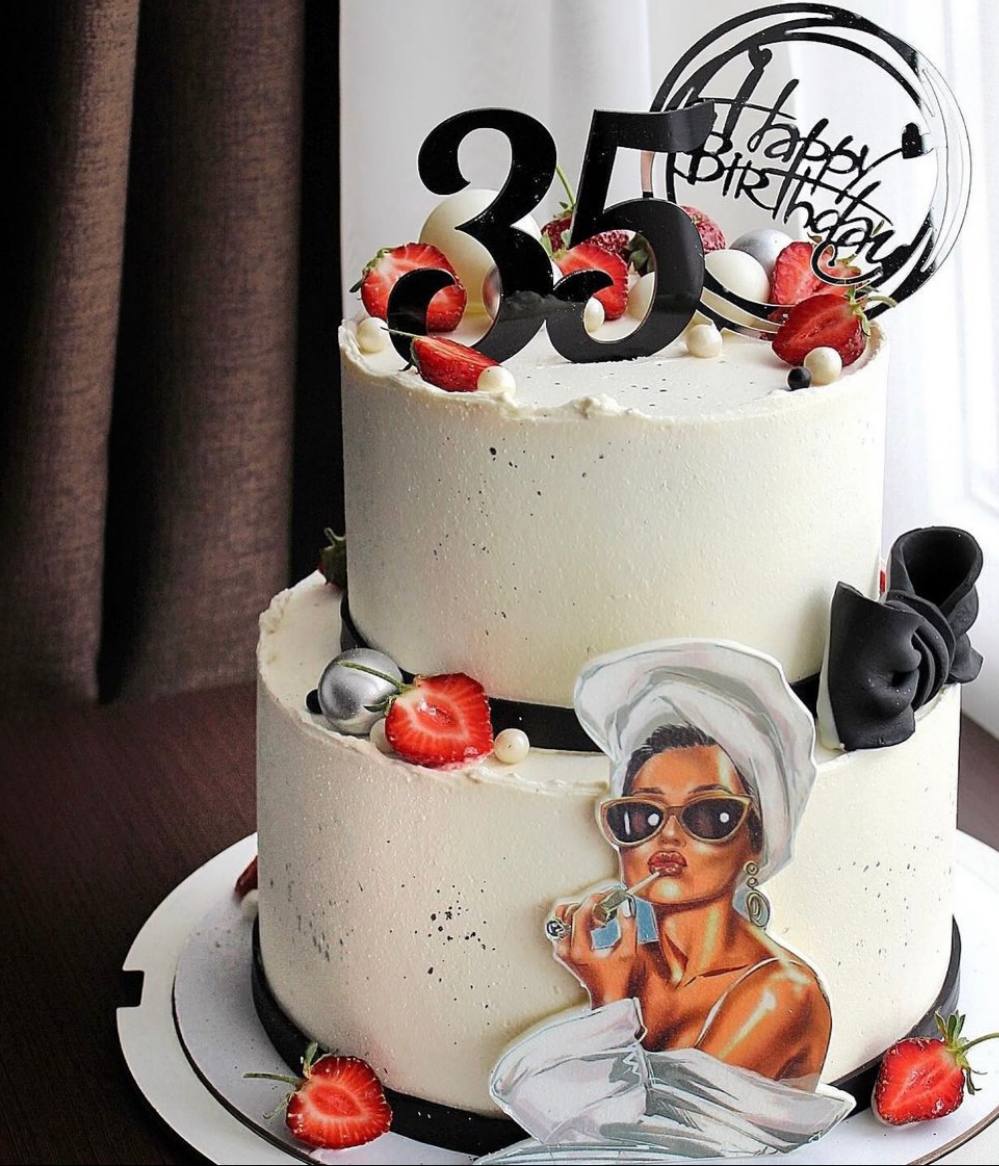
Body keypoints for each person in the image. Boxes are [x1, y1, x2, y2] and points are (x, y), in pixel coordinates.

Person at [484, 640, 854, 1162]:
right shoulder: (632, 961)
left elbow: (644, 1149)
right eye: (641, 817)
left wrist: (608, 1002)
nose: (669, 838)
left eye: (709, 815)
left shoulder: (780, 993)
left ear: (756, 838)